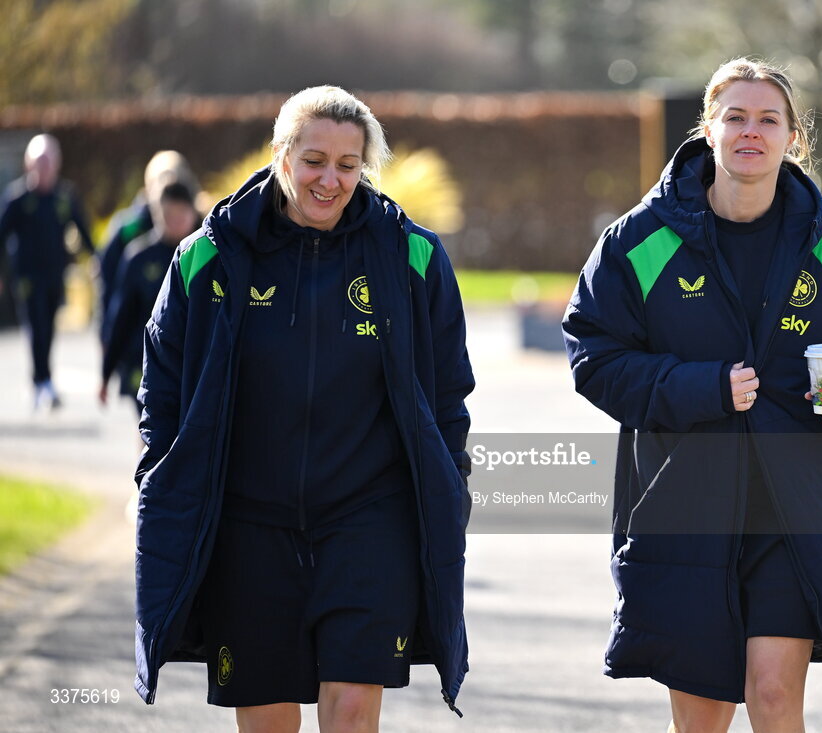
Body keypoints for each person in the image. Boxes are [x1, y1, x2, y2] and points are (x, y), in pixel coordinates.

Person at [562, 57, 822, 733]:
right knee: (704, 717)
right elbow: (594, 356)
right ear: (708, 129)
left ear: (793, 138)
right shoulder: (640, 241)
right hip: (685, 504)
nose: (752, 131)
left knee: (774, 698)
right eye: (736, 117)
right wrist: (700, 386)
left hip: (797, 509)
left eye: (769, 119)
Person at [132, 86, 474, 732]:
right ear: (281, 156)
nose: (330, 179)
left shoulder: (413, 257)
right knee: (268, 719)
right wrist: (160, 480)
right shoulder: (208, 257)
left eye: (349, 165)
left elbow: (449, 390)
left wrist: (451, 479)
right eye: (315, 159)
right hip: (248, 526)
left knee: (350, 709)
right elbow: (164, 390)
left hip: (369, 521)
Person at [0, 133, 95, 409]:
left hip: (55, 274)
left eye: (49, 163)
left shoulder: (64, 198)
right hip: (27, 277)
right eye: (39, 163)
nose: (44, 169)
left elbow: (83, 230)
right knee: (36, 327)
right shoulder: (18, 199)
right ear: (29, 165)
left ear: (57, 165)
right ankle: (43, 382)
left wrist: (96, 258)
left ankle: (40, 379)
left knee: (49, 328)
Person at [98, 150, 198, 388]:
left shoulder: (203, 239)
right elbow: (113, 289)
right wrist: (107, 355)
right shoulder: (132, 235)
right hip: (142, 356)